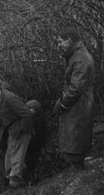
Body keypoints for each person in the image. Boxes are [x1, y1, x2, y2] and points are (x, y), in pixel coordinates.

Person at [53, 27, 96, 171]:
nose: (58, 46)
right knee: (74, 141)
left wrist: (63, 104)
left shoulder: (81, 58)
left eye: (60, 42)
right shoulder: (76, 56)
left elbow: (76, 87)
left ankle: (79, 174)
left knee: (76, 141)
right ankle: (77, 172)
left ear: (70, 40)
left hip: (79, 106)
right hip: (78, 104)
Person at [0, 77, 34, 189]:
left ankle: (19, 186)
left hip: (21, 131)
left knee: (16, 160)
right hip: (13, 132)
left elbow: (26, 114)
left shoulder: (9, 98)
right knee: (9, 162)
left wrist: (23, 130)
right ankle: (27, 182)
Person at [24, 100, 48, 185]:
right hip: (33, 144)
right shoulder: (39, 118)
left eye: (32, 109)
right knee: (31, 163)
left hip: (33, 144)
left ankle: (31, 180)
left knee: (31, 163)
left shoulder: (34, 119)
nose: (31, 111)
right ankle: (31, 179)